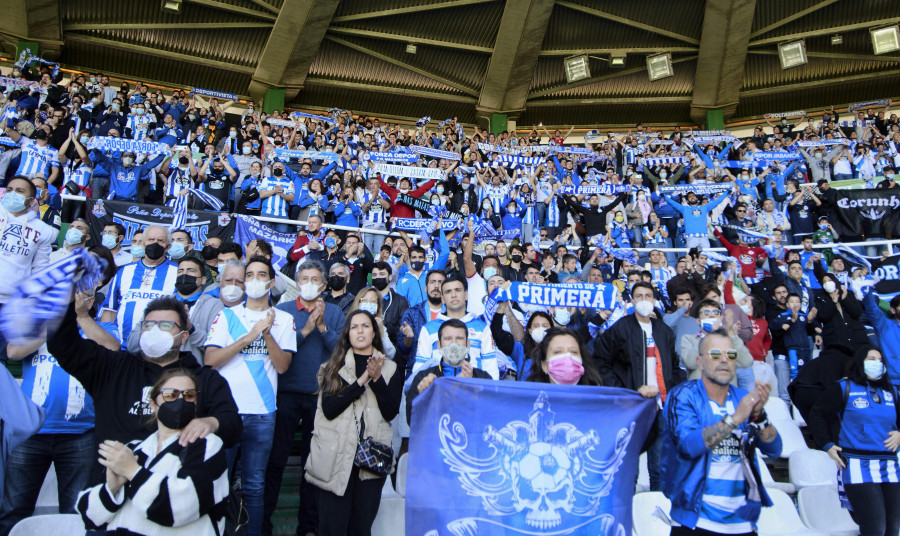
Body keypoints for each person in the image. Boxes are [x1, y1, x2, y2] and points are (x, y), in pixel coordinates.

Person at [205, 256, 296, 536]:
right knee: (217, 485)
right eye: (251, 275)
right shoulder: (226, 316)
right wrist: (248, 336)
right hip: (225, 413)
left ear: (270, 282)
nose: (256, 280)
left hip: (262, 413)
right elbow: (210, 360)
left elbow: (282, 366)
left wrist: (266, 335)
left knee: (255, 486)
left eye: (262, 275)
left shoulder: (284, 319)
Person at [75, 369, 229, 536]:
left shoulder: (208, 445)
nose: (180, 400)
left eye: (189, 395)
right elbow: (89, 518)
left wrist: (132, 472)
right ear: (153, 404)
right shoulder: (131, 450)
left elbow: (177, 509)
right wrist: (111, 489)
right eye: (171, 395)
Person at [661, 329, 782, 535]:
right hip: (696, 521)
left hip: (742, 523)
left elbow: (774, 449)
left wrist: (759, 416)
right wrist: (734, 419)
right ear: (699, 362)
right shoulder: (683, 395)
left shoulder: (742, 397)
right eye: (715, 354)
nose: (724, 360)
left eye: (730, 355)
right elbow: (688, 445)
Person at [264, 260, 344, 536]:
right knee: (276, 461)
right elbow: (277, 352)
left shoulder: (334, 313)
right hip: (286, 394)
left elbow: (340, 352)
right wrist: (307, 329)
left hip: (319, 397)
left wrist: (322, 328)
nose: (309, 284)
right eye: (304, 279)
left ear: (323, 285)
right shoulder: (282, 311)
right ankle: (264, 522)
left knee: (314, 465)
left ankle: (308, 527)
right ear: (297, 284)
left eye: (315, 279)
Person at [305, 310, 403, 536]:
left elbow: (390, 412)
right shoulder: (331, 367)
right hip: (335, 455)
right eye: (355, 326)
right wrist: (362, 380)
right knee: (332, 528)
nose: (360, 330)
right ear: (347, 334)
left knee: (361, 528)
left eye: (366, 326)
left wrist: (377, 379)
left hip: (370, 461)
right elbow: (329, 410)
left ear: (374, 332)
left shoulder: (390, 368)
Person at [595, 281, 684, 491]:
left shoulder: (664, 331)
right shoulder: (621, 328)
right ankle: (627, 513)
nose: (644, 300)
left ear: (654, 300)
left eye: (648, 296)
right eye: (640, 296)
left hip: (659, 408)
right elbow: (600, 361)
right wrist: (624, 391)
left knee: (659, 467)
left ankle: (655, 517)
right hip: (630, 407)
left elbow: (674, 365)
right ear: (633, 301)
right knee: (629, 470)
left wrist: (671, 390)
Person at [808, 346, 900, 536]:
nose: (877, 363)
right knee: (875, 528)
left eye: (880, 360)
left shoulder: (892, 392)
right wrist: (827, 445)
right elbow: (817, 413)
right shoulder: (844, 387)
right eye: (872, 359)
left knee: (892, 529)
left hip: (890, 466)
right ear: (860, 362)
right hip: (858, 465)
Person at [101, 225, 180, 346]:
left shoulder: (177, 273)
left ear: (168, 246)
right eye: (151, 240)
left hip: (158, 349)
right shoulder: (124, 272)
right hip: (121, 348)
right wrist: (109, 342)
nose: (155, 244)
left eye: (160, 241)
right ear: (143, 244)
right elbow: (110, 311)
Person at [406, 318, 492, 423]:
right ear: (438, 345)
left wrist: (471, 387)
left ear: (468, 344)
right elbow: (411, 420)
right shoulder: (423, 377)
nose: (454, 344)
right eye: (448, 339)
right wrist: (425, 397)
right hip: (435, 438)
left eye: (459, 338)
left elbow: (490, 417)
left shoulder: (483, 378)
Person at [527, 327, 603, 386]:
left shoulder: (596, 401)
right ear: (544, 366)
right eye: (558, 352)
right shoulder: (531, 402)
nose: (567, 357)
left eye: (574, 352)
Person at [370, 261, 409, 349]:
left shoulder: (401, 301)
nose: (378, 277)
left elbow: (402, 332)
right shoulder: (365, 299)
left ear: (390, 277)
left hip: (392, 348)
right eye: (374, 275)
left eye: (382, 274)